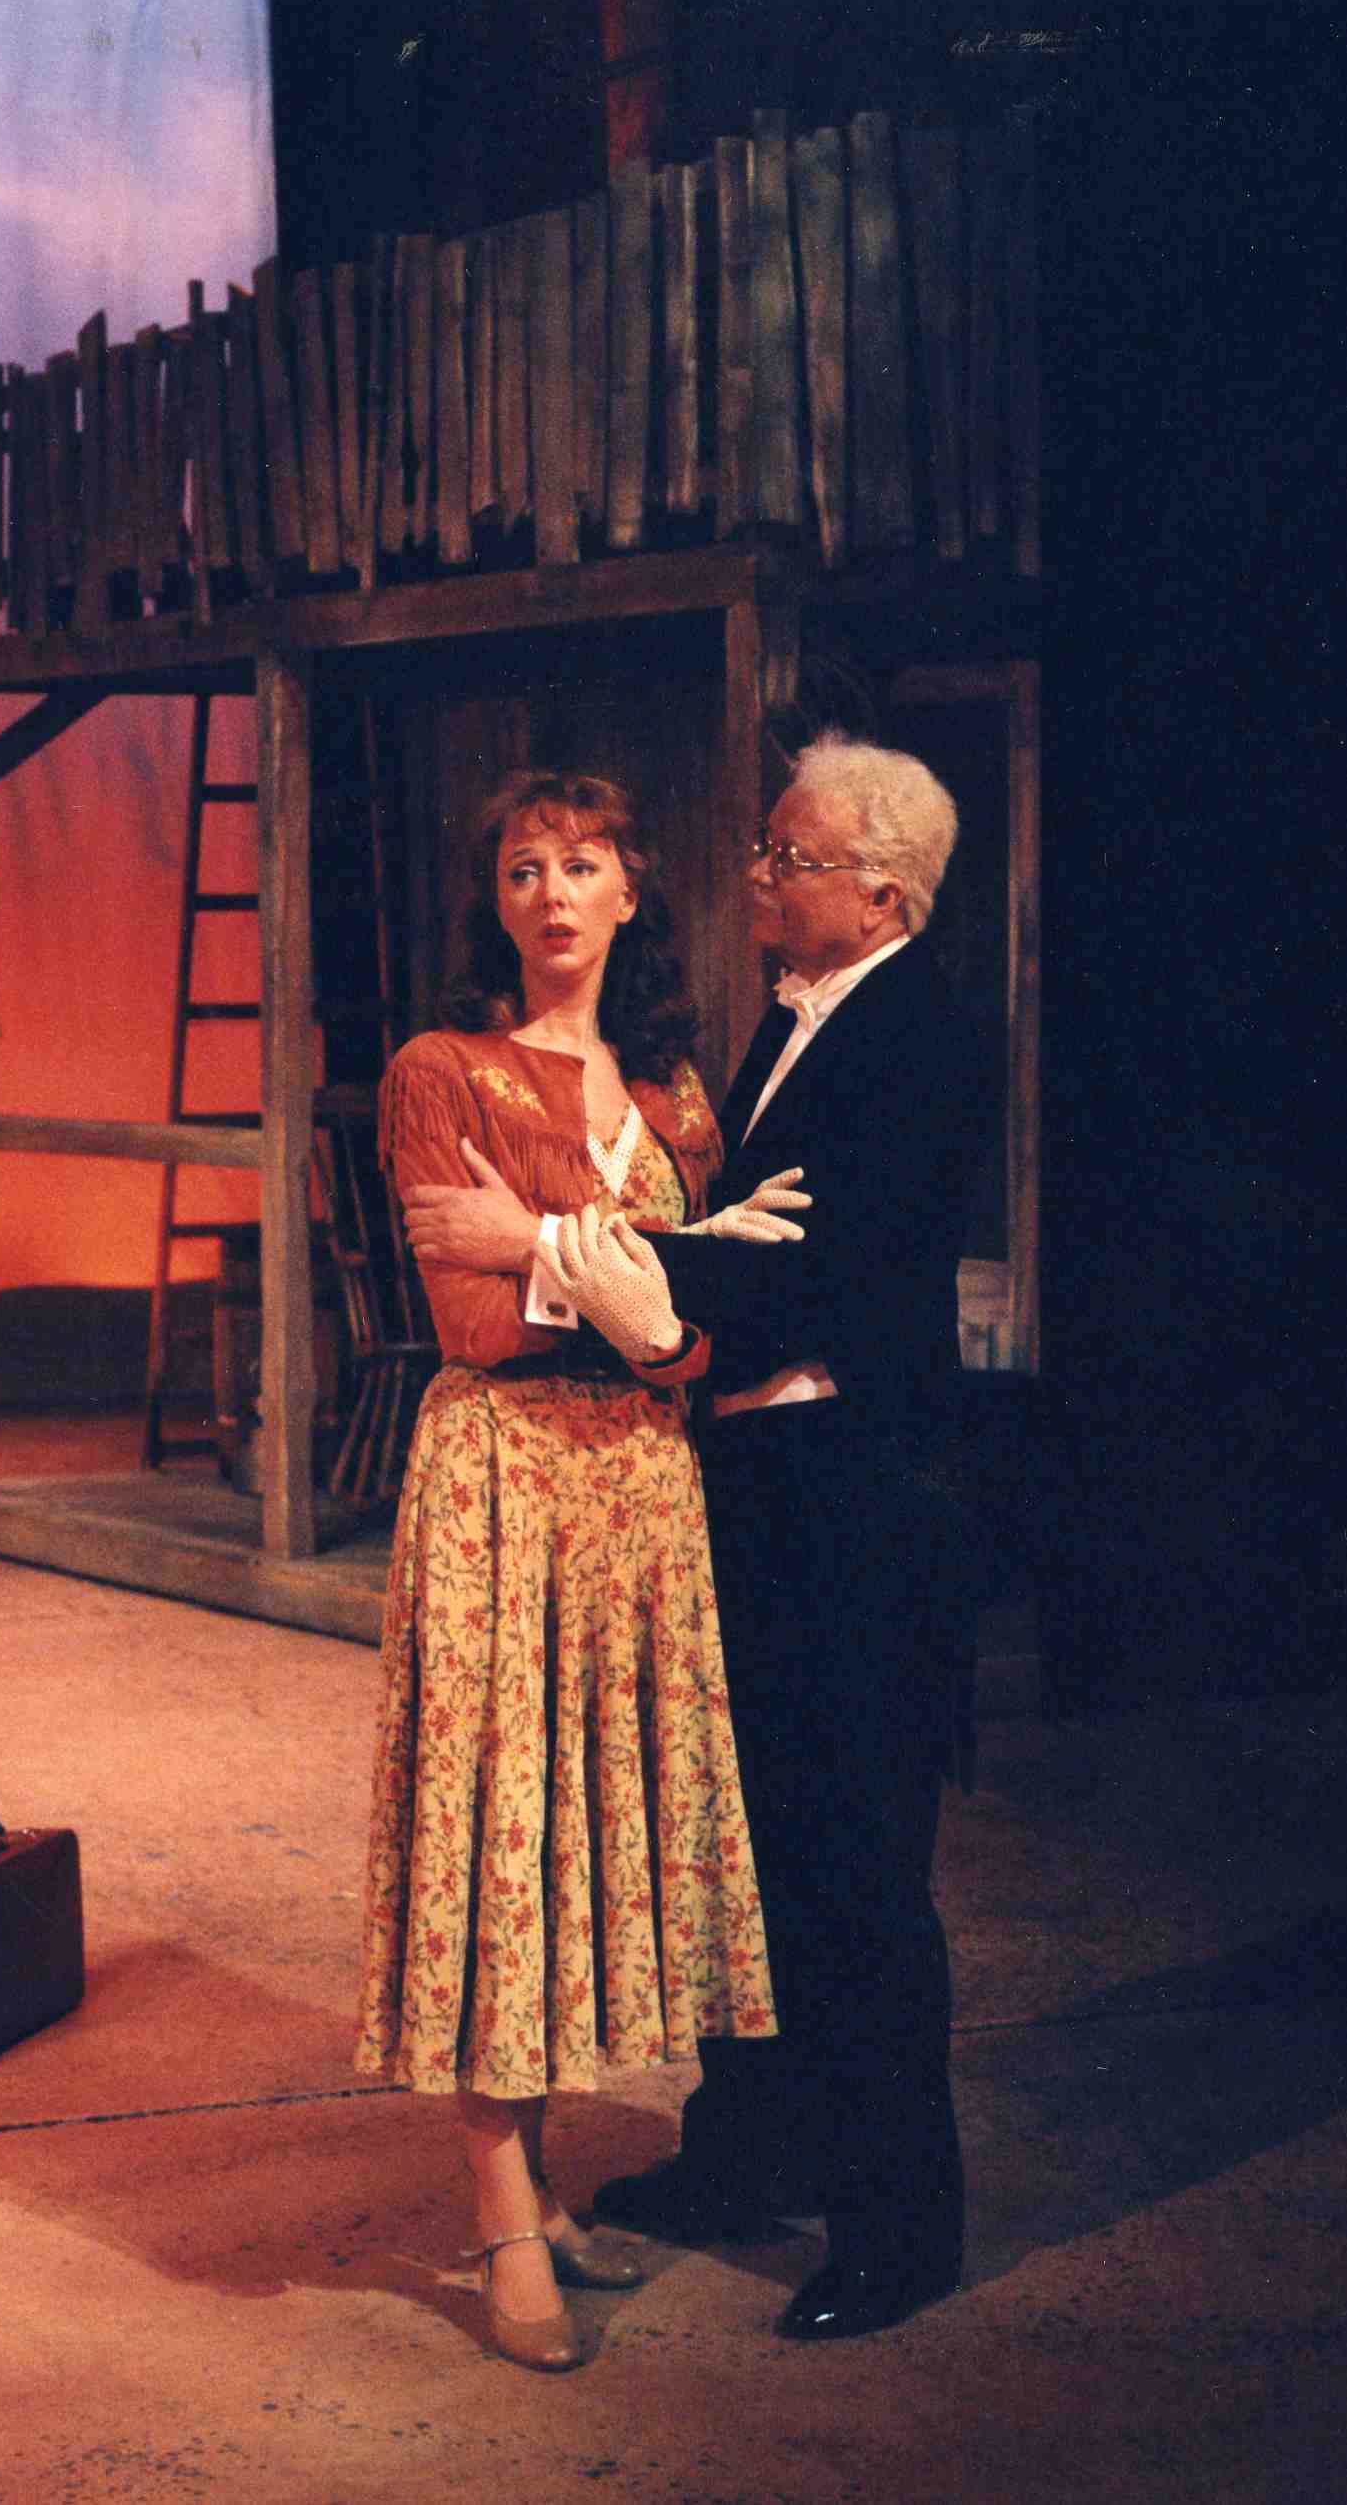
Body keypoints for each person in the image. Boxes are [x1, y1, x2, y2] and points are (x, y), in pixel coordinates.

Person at [409, 730, 985, 2341]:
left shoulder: (919, 1034)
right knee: (753, 1847)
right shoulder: (789, 1022)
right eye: (761, 849)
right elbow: (724, 1252)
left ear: (879, 892)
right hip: (761, 1485)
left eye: (789, 857)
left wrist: (544, 1242)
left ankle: (896, 2227)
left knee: (856, 1870)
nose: (759, 875)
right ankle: (749, 2155)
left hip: (855, 1503)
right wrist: (673, 1257)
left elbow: (809, 1277)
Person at [353, 768, 801, 2374]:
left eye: (583, 863)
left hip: (643, 1498)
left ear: (629, 890)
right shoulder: (442, 1069)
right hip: (504, 1480)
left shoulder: (677, 1100)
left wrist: (551, 1252)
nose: (552, 893)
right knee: (498, 1834)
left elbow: (698, 1339)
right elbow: (472, 1325)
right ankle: (495, 2208)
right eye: (524, 868)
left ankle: (540, 2194)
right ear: (497, 901)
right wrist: (623, 1299)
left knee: (570, 1844)